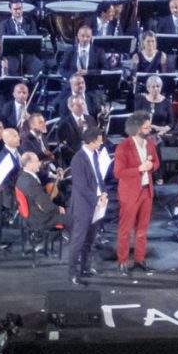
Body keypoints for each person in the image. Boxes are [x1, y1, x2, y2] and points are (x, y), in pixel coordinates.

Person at [111, 115, 159, 273]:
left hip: (146, 191)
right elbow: (118, 173)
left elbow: (156, 163)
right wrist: (139, 169)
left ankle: (140, 258)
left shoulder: (150, 144)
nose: (149, 129)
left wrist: (151, 166)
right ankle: (122, 260)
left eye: (149, 126)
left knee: (142, 228)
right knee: (125, 229)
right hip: (130, 193)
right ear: (136, 127)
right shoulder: (124, 146)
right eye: (146, 126)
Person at [66, 122, 108, 287]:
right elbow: (81, 187)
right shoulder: (78, 159)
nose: (101, 142)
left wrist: (103, 192)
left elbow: (98, 177)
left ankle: (85, 267)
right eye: (99, 140)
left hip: (97, 203)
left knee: (90, 239)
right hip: (83, 206)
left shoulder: (95, 154)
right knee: (78, 240)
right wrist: (97, 199)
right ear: (90, 141)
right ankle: (72, 273)